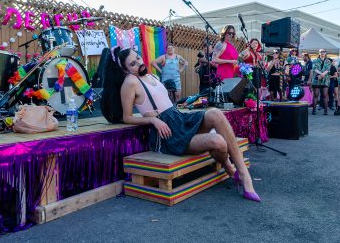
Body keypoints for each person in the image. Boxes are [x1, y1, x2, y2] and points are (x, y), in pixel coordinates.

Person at [101, 46, 260, 202]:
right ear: (125, 70)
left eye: (137, 57)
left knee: (216, 113)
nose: (138, 63)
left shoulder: (152, 76)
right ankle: (230, 167)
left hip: (178, 118)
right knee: (218, 142)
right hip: (169, 134)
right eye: (132, 64)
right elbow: (127, 117)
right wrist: (152, 119)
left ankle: (243, 173)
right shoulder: (130, 82)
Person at [311, 49, 331, 115]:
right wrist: (320, 74)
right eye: (321, 52)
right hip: (316, 79)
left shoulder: (328, 61)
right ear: (319, 53)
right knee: (316, 95)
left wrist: (322, 75)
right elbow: (314, 69)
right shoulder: (315, 60)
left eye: (324, 52)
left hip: (325, 80)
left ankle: (325, 111)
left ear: (325, 53)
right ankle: (314, 110)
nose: (322, 53)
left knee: (325, 95)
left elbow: (328, 69)